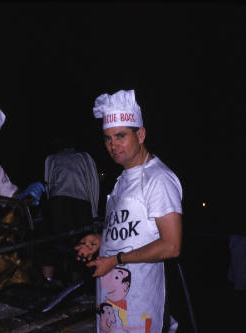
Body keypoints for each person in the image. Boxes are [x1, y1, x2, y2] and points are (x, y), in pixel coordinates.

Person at [75, 89, 183, 333]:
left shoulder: (159, 179)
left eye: (121, 136)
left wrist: (116, 259)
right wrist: (101, 241)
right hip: (111, 302)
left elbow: (171, 245)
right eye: (107, 138)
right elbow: (133, 231)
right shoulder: (122, 179)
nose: (113, 145)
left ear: (141, 134)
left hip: (140, 303)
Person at [40, 139, 100, 285]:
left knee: (80, 243)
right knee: (52, 241)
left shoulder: (84, 157)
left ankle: (75, 286)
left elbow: (92, 183)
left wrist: (94, 213)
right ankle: (48, 282)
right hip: (60, 202)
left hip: (78, 203)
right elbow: (47, 181)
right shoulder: (52, 158)